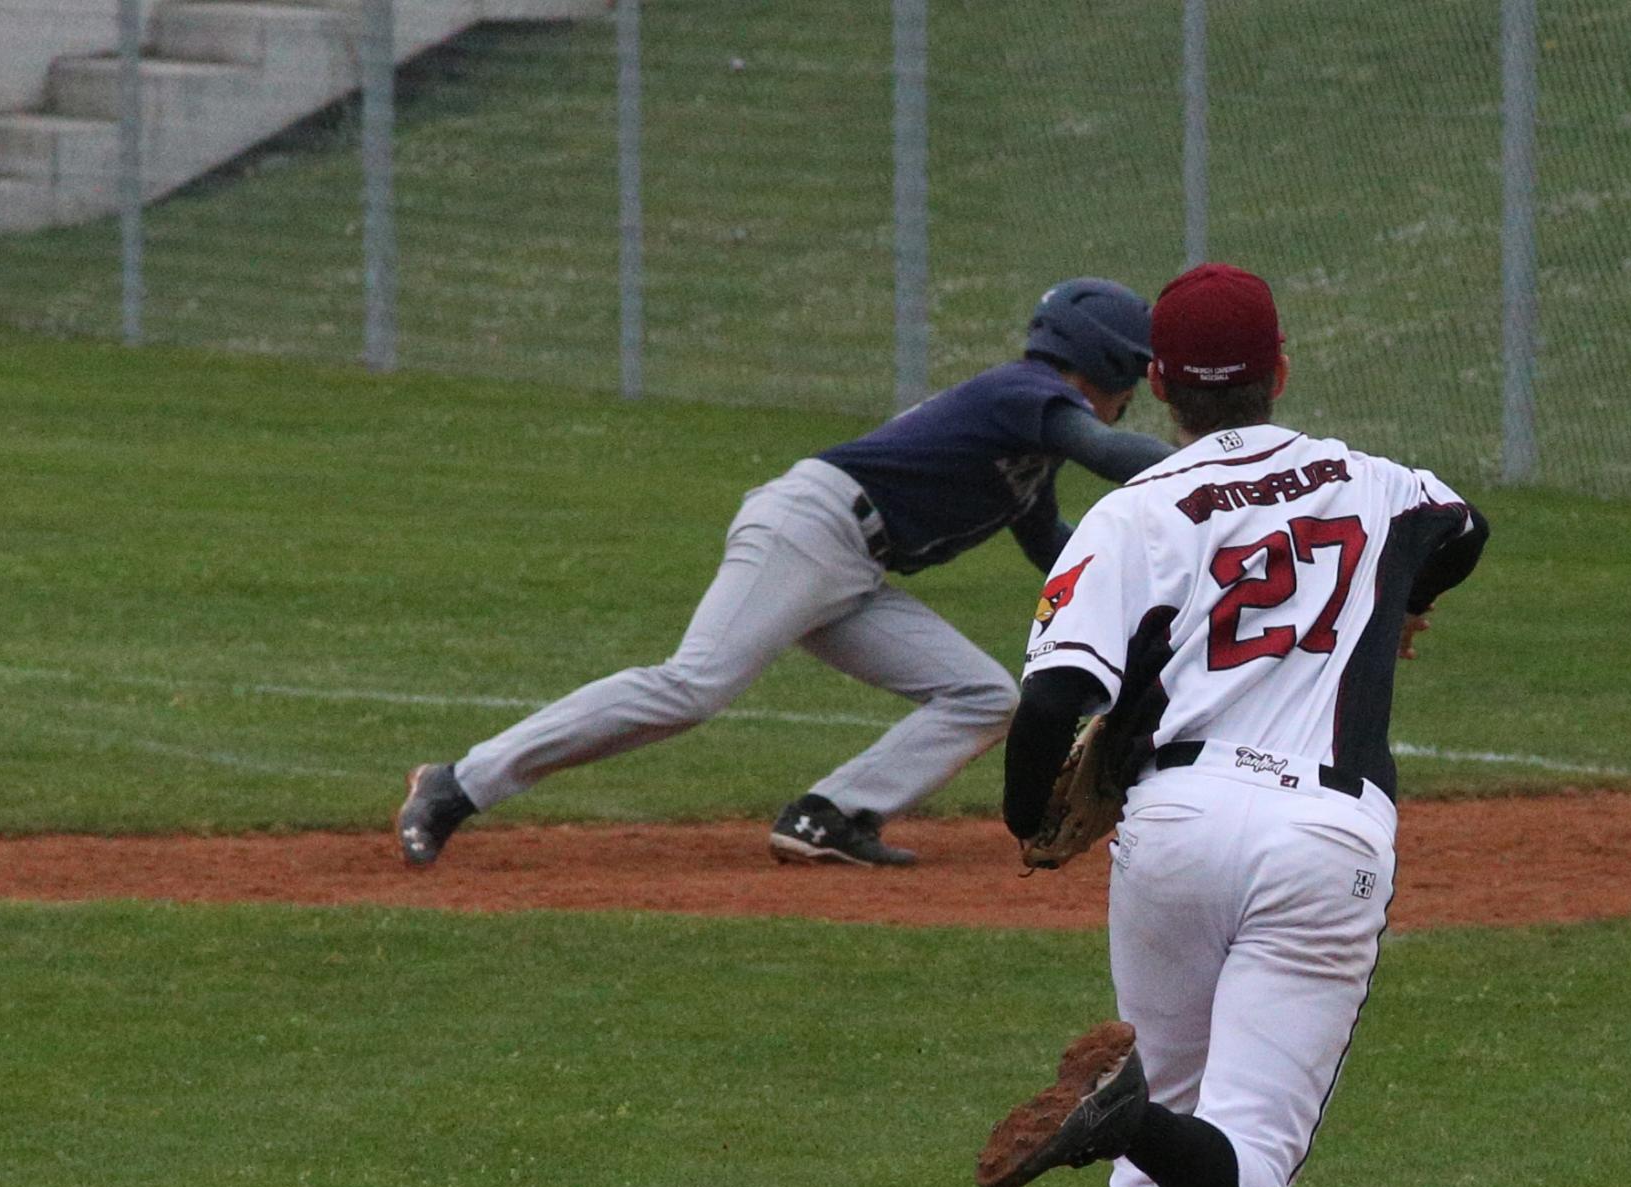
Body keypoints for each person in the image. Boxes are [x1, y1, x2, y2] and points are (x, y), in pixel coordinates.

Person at [969, 263, 1490, 1187]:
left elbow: (1053, 699)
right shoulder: (1376, 481)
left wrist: (1028, 822)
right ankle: (1122, 1117)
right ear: (1283, 368)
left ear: (1158, 383)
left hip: (1175, 828)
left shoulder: (1133, 511)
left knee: (1166, 1094)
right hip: (1321, 838)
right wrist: (1394, 596)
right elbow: (1465, 530)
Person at [394, 280, 1176, 869]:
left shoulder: (1031, 446)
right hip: (811, 527)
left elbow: (1054, 550)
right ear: (1104, 359)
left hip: (850, 565)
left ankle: (830, 815)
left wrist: (1143, 600)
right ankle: (458, 783)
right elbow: (1106, 453)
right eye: (1132, 372)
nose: (1133, 391)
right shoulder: (1024, 392)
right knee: (692, 685)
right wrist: (1210, 465)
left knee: (981, 695)